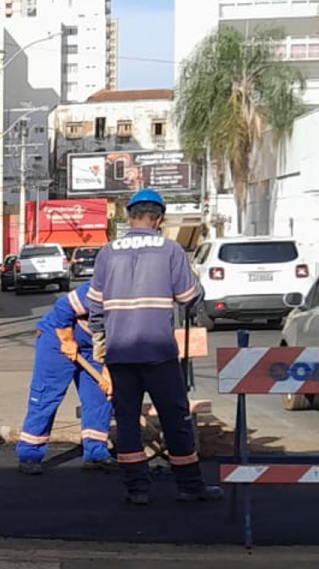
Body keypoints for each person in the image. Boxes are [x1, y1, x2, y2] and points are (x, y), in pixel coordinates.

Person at [88, 189, 222, 506]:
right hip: (158, 353)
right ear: (159, 219)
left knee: (127, 419)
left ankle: (137, 489)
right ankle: (189, 487)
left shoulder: (108, 252)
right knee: (175, 419)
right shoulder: (170, 250)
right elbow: (189, 297)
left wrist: (100, 342)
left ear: (129, 217)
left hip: (120, 352)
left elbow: (95, 306)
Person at [17, 281, 113, 475]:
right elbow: (63, 307)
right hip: (58, 336)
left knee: (100, 396)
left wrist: (109, 372)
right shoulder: (103, 287)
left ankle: (96, 453)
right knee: (47, 395)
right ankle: (30, 454)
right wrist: (68, 341)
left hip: (93, 346)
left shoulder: (138, 307)